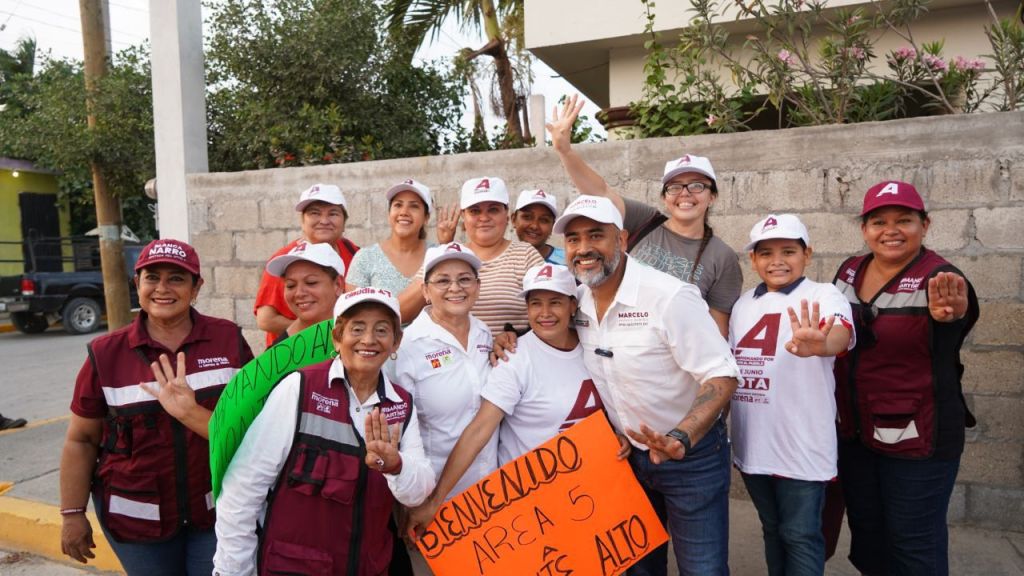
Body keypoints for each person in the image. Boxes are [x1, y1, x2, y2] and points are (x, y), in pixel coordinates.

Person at [553, 195, 741, 576]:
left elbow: (721, 375)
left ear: (621, 239)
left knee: (702, 569)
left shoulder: (671, 297)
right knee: (638, 569)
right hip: (626, 460)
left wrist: (680, 436)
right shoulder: (578, 301)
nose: (584, 248)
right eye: (573, 239)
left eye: (596, 236)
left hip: (690, 458)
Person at [59, 239, 254, 575]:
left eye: (177, 278)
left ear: (197, 288)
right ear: (137, 285)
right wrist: (73, 513)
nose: (163, 288)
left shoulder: (228, 340)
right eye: (152, 277)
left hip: (216, 513)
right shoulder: (106, 354)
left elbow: (252, 427)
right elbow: (81, 440)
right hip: (136, 523)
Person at [213, 287, 434, 576]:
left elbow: (418, 491)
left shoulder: (401, 404)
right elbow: (243, 488)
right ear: (337, 337)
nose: (368, 340)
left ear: (396, 342)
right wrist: (233, 571)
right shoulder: (299, 387)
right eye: (357, 328)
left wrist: (395, 466)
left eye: (382, 330)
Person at [831, 180, 979, 576]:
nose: (890, 230)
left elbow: (954, 323)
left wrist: (953, 316)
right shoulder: (848, 271)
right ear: (864, 229)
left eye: (904, 220)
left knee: (913, 542)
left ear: (925, 225)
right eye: (879, 221)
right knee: (868, 537)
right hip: (856, 433)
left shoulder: (941, 278)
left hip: (920, 438)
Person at [405, 263, 619, 534]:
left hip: (587, 492)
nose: (544, 313)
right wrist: (435, 501)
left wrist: (618, 437)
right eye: (535, 303)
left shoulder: (594, 348)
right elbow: (480, 429)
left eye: (555, 302)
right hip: (529, 506)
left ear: (573, 305)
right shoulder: (514, 357)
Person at [546, 95, 742, 336]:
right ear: (664, 197)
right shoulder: (646, 221)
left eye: (697, 185)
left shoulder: (722, 257)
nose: (685, 193)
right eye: (675, 187)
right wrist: (564, 151)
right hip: (615, 339)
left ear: (712, 196)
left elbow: (717, 329)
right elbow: (600, 191)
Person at [729, 214, 853, 576]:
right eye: (765, 253)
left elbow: (839, 336)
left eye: (788, 251)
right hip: (754, 443)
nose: (777, 260)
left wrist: (821, 344)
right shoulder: (741, 305)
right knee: (773, 529)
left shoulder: (822, 295)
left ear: (807, 255)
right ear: (753, 260)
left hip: (802, 444)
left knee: (800, 534)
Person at [394, 242, 498, 500]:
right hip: (438, 499)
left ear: (477, 287)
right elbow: (402, 434)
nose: (455, 288)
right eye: (443, 281)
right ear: (425, 291)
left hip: (495, 491)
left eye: (465, 279)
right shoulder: (408, 347)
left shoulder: (484, 333)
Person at [397, 177, 545, 337]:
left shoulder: (525, 254)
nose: (484, 218)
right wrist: (442, 253)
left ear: (507, 214)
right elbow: (400, 312)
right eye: (475, 211)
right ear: (463, 216)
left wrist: (517, 336)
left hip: (512, 357)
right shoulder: (446, 254)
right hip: (453, 358)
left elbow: (546, 310)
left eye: (493, 209)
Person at [255, 183, 359, 346]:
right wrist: (318, 336)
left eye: (333, 214)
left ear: (344, 222)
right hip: (291, 355)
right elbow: (266, 320)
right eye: (314, 213)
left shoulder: (355, 254)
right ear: (302, 221)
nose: (324, 221)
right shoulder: (285, 260)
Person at [346, 179, 433, 296]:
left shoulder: (435, 255)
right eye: (398, 205)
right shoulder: (365, 257)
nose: (404, 212)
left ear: (426, 217)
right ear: (389, 213)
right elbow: (354, 310)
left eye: (414, 206)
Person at [264, 241, 346, 345]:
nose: (299, 293)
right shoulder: (277, 355)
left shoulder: (364, 342)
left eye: (311, 282)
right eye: (291, 285)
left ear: (338, 285)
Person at [511, 189, 565, 264]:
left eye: (544, 220)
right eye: (527, 217)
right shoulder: (498, 259)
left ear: (553, 226)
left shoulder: (568, 262)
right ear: (513, 219)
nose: (534, 226)